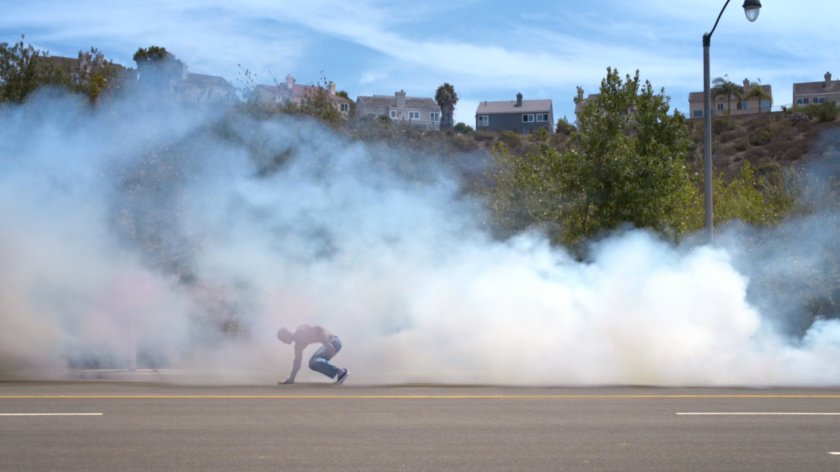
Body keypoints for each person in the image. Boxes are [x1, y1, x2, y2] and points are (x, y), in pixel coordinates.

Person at [277, 325, 348, 385]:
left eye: (283, 339)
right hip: (330, 344)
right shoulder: (298, 345)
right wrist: (291, 379)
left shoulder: (300, 331)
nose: (284, 342)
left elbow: (319, 329)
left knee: (314, 361)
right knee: (312, 364)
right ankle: (339, 373)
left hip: (334, 341)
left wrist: (327, 344)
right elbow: (297, 362)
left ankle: (341, 372)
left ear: (286, 334)